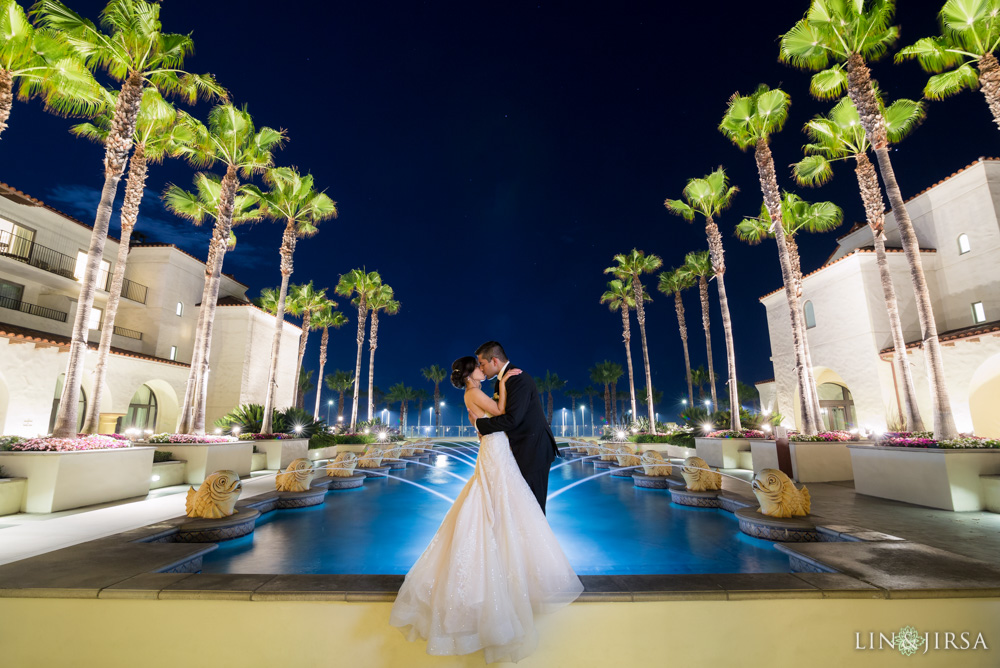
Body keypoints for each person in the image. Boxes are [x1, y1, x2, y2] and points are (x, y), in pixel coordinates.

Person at [389, 352, 583, 663]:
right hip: (496, 450)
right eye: (478, 368)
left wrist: (493, 402)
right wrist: (504, 383)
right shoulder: (476, 391)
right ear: (470, 374)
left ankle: (505, 544)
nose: (482, 370)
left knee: (499, 498)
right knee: (503, 498)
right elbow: (503, 411)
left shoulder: (471, 393)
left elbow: (492, 417)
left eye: (483, 365)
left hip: (494, 447)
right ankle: (511, 552)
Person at [474, 341, 559, 513]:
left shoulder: (517, 379)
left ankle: (538, 541)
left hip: (534, 450)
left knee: (534, 508)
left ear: (494, 361)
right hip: (523, 449)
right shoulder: (503, 381)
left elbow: (512, 419)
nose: (481, 369)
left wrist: (479, 424)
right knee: (522, 507)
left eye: (482, 364)